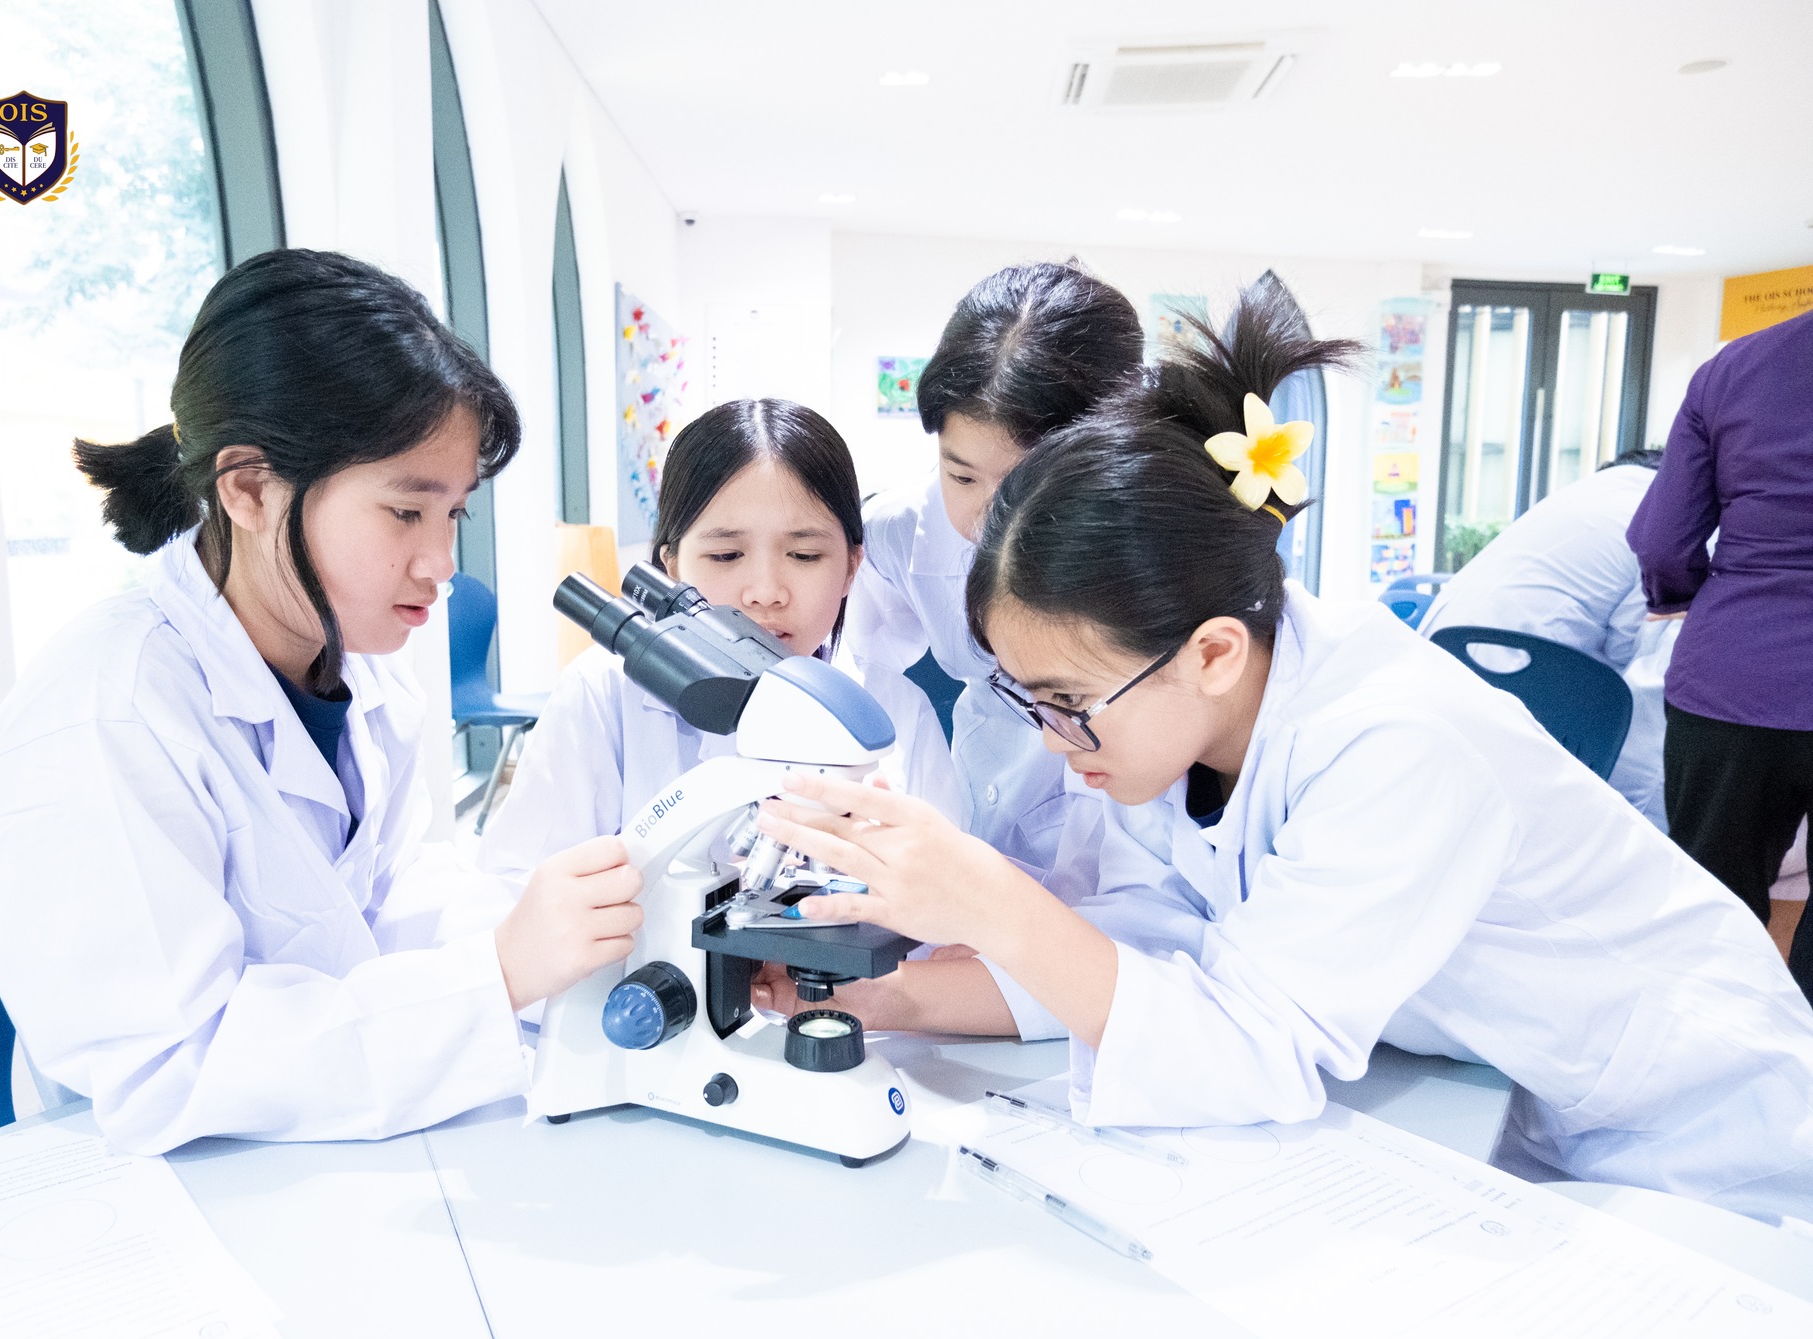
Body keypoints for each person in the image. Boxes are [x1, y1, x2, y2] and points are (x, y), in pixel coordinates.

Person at [752, 275, 1813, 1224]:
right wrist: (890, 999)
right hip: (1518, 1105)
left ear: (1211, 651)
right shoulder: (1179, 723)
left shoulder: (1397, 742)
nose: (1052, 738)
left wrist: (987, 899)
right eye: (1030, 699)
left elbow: (1248, 1044)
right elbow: (1142, 955)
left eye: (1068, 702)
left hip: (1702, 1147)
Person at [0, 249, 644, 1154]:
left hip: (326, 1151)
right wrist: (498, 970)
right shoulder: (106, 713)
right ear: (248, 488)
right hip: (166, 1182)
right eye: (406, 512)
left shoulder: (363, 669)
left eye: (454, 514)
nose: (442, 564)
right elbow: (171, 1069)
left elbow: (383, 905)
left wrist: (562, 937)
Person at [481, 397, 964, 880]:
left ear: (850, 569)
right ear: (672, 569)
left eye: (803, 555)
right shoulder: (603, 695)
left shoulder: (897, 711)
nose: (765, 593)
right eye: (727, 556)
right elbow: (516, 887)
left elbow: (949, 896)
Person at [842, 262, 1142, 1036]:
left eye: (1020, 483)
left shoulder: (1146, 569)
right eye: (961, 474)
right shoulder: (903, 535)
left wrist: (1033, 925)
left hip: (1115, 811)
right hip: (990, 785)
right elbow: (873, 683)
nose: (985, 517)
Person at [1629, 307, 1813, 1003]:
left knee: (1710, 915)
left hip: (1733, 680)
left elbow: (1663, 542)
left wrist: (1691, 599)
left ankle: (1705, 1054)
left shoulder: (1735, 367)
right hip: (1739, 678)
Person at [1420, 448, 1667, 825]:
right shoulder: (1662, 518)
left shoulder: (1583, 497)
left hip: (1437, 671)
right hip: (1523, 699)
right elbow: (1632, 651)